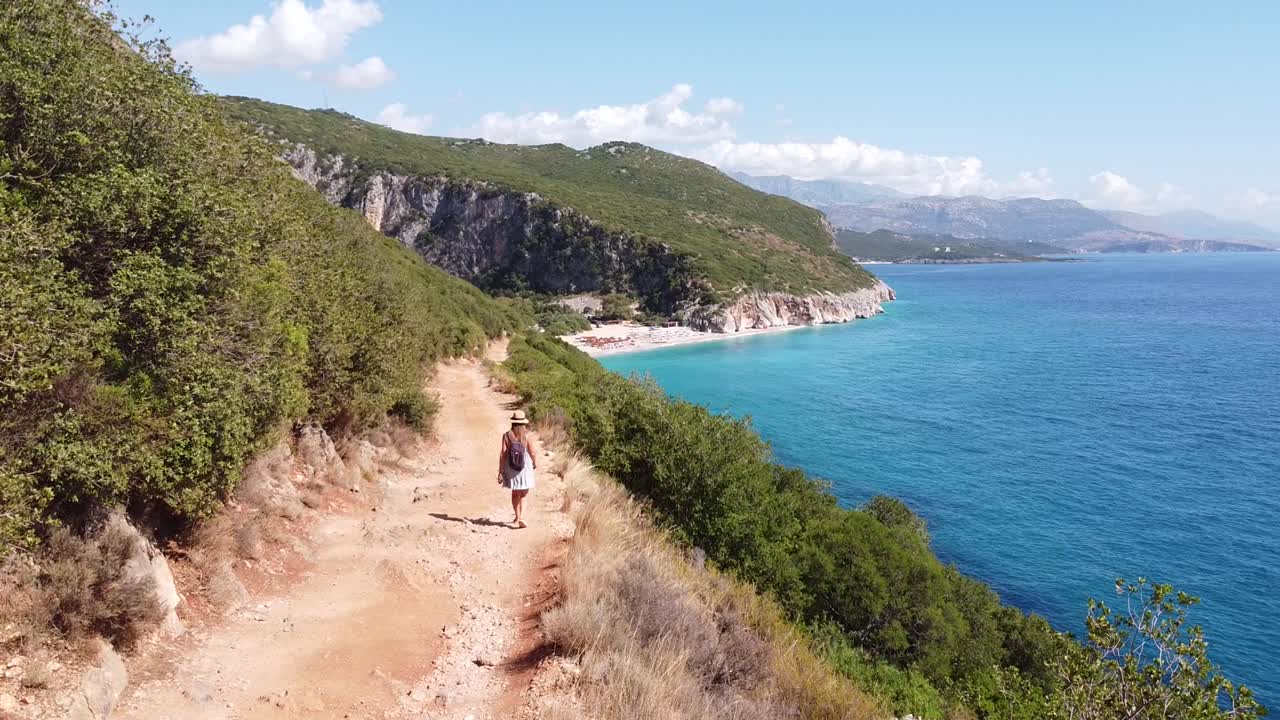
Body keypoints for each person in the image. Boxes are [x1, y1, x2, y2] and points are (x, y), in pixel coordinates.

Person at [497, 410, 537, 528]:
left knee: (515, 493)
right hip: (524, 467)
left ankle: (517, 516)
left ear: (513, 422)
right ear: (524, 422)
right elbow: (533, 453)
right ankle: (522, 518)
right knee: (524, 494)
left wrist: (500, 471)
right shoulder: (527, 435)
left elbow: (503, 454)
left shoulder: (507, 435)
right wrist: (534, 464)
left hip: (511, 467)